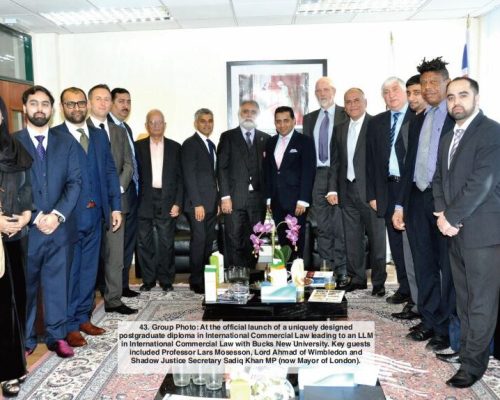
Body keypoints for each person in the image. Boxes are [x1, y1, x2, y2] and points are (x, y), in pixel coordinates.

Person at [432, 77, 500, 388]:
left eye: (463, 95)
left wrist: (452, 216)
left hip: (483, 234)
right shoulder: (449, 136)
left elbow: (482, 183)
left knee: (480, 302)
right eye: (451, 97)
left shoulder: (492, 132)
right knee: (464, 299)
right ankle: (468, 350)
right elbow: (439, 180)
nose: (456, 101)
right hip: (454, 230)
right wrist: (442, 214)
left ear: (476, 96)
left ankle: (474, 365)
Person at [392, 57, 455, 352]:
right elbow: (407, 167)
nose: (428, 88)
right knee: (424, 264)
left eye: (434, 82)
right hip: (417, 199)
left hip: (444, 202)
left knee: (447, 269)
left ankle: (445, 327)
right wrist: (400, 205)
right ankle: (429, 320)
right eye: (424, 83)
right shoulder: (418, 120)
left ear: (446, 83)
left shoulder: (455, 117)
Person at [52, 87, 121, 348]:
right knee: (71, 272)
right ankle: (69, 325)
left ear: (87, 106)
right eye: (71, 104)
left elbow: (110, 172)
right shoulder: (55, 136)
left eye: (81, 103)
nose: (77, 108)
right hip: (68, 218)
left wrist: (115, 206)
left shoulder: (99, 136)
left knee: (90, 271)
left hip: (96, 215)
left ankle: (83, 317)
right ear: (62, 107)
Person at [16, 86, 81, 358]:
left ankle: (57, 337)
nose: (39, 108)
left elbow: (74, 182)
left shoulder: (66, 143)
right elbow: (10, 187)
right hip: (26, 231)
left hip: (59, 229)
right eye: (34, 103)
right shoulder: (11, 143)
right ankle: (26, 339)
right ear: (25, 109)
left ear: (52, 110)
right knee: (26, 289)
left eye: (45, 104)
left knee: (57, 286)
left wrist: (57, 215)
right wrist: (36, 215)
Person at [330, 88, 386, 294]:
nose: (352, 105)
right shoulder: (340, 128)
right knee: (352, 239)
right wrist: (332, 189)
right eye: (348, 102)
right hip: (347, 191)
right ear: (344, 106)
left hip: (371, 193)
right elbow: (336, 162)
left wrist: (380, 193)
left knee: (377, 240)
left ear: (365, 102)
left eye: (356, 100)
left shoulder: (376, 124)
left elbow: (382, 163)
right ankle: (357, 278)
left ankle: (378, 283)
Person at [87, 84, 136, 315]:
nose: (104, 103)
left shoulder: (119, 131)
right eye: (99, 99)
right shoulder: (81, 129)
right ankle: (85, 304)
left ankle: (114, 299)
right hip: (89, 204)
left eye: (107, 99)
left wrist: (116, 188)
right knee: (89, 255)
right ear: (89, 103)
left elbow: (128, 163)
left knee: (116, 254)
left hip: (118, 202)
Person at [366, 77, 415, 300]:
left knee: (413, 243)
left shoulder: (418, 117)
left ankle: (418, 293)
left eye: (395, 90)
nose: (391, 94)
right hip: (387, 189)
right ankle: (404, 289)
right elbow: (371, 162)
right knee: (395, 244)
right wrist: (372, 194)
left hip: (412, 190)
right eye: (386, 92)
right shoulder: (377, 122)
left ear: (405, 92)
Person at [0, 97, 32, 396]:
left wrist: (25, 215)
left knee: (16, 302)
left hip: (15, 237)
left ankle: (12, 367)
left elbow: (27, 187)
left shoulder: (14, 149)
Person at [303, 77, 348, 284]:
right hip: (316, 176)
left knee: (339, 225)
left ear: (334, 91)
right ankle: (326, 267)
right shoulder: (309, 118)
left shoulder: (344, 114)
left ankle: (342, 270)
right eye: (318, 90)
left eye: (326, 89)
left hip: (338, 174)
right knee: (322, 226)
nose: (322, 93)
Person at [391, 74, 428, 320]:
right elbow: (407, 168)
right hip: (408, 198)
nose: (413, 97)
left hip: (432, 202)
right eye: (410, 93)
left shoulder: (442, 121)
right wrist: (399, 204)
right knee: (412, 258)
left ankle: (426, 309)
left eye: (418, 92)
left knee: (428, 264)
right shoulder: (412, 124)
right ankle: (417, 304)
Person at [217, 101, 269, 268]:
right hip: (234, 198)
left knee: (255, 240)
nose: (249, 114)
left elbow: (270, 172)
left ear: (258, 114)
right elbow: (221, 168)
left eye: (253, 111)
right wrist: (225, 196)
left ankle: (251, 276)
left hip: (257, 200)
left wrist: (269, 200)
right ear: (240, 114)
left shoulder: (265, 138)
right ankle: (236, 278)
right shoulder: (228, 137)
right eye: (245, 111)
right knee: (234, 239)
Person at [135, 110, 183, 292]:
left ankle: (166, 280)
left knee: (166, 242)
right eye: (152, 122)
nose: (156, 125)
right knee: (144, 243)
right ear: (146, 125)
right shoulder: (137, 146)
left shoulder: (175, 147)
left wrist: (178, 203)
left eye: (159, 122)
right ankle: (148, 280)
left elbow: (181, 178)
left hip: (167, 200)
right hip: (143, 201)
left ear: (165, 125)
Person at [264, 106, 315, 257]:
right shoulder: (270, 142)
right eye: (278, 121)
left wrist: (304, 200)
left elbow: (308, 171)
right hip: (276, 201)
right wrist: (268, 198)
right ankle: (285, 274)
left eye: (286, 120)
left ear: (293, 121)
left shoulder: (304, 141)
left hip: (296, 202)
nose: (282, 125)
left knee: (296, 241)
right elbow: (267, 171)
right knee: (283, 240)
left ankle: (297, 273)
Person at [182, 109, 219, 294]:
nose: (207, 124)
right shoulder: (190, 144)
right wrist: (197, 203)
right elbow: (189, 176)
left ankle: (205, 278)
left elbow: (213, 177)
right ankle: (195, 280)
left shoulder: (211, 144)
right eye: (203, 121)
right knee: (199, 241)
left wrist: (217, 202)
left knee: (207, 242)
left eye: (210, 121)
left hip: (211, 205)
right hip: (197, 205)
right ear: (196, 123)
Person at [108, 87, 140, 298]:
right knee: (115, 248)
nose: (125, 105)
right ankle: (112, 291)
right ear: (111, 103)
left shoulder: (125, 128)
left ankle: (124, 286)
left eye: (128, 101)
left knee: (127, 244)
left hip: (132, 194)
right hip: (117, 196)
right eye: (121, 101)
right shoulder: (106, 128)